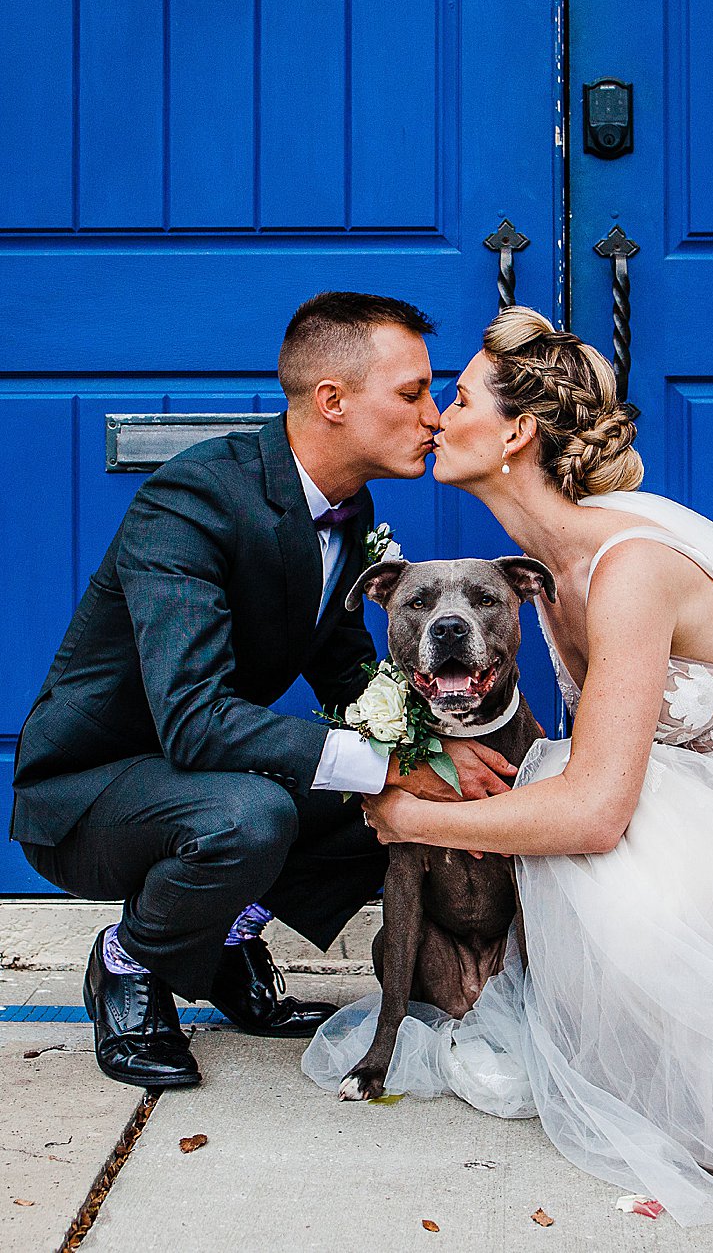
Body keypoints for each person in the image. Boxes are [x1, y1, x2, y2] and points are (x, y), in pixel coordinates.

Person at [304, 305, 713, 1228]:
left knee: (591, 854)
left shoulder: (627, 566)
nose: (432, 417)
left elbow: (594, 811)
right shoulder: (546, 574)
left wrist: (412, 816)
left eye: (454, 400)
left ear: (516, 434)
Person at [10, 291, 516, 1091]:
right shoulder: (192, 500)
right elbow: (193, 720)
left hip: (204, 771)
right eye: (413, 392)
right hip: (92, 791)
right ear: (333, 401)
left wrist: (444, 752)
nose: (434, 416)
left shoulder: (351, 508)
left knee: (393, 796)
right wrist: (392, 765)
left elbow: (350, 676)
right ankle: (130, 962)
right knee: (258, 813)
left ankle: (226, 935)